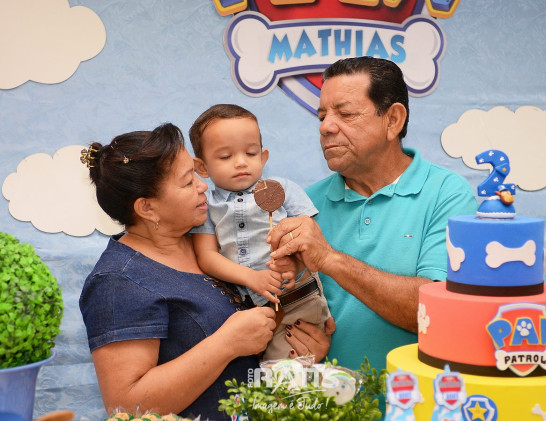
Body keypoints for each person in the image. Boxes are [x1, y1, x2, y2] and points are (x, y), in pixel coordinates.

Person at [78, 123, 329, 420]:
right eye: (187, 182)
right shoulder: (118, 282)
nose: (203, 186)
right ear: (147, 208)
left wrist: (298, 349)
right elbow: (126, 406)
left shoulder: (213, 243)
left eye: (196, 175)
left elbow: (256, 333)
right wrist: (227, 344)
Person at [268, 57, 478, 373]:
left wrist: (329, 258)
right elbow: (277, 311)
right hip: (331, 400)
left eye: (345, 114)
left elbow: (439, 312)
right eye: (322, 116)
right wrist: (302, 348)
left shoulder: (446, 194)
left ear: (393, 120)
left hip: (417, 400)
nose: (325, 127)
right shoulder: (305, 205)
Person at [188, 104, 332, 361]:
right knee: (255, 369)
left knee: (283, 369)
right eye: (225, 156)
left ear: (263, 157)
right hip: (247, 306)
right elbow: (207, 257)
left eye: (251, 153)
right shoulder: (207, 205)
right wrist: (251, 278)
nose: (241, 162)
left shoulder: (283, 189)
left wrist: (294, 262)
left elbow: (311, 238)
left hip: (298, 297)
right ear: (202, 167)